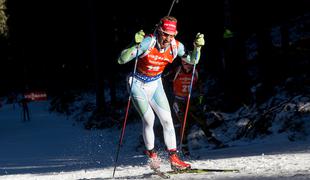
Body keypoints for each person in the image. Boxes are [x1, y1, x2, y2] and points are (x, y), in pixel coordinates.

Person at [117, 16, 205, 171]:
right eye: (165, 34)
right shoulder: (148, 42)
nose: (168, 38)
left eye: (171, 35)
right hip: (137, 83)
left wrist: (197, 47)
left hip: (155, 83)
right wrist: (134, 43)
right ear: (159, 30)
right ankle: (152, 157)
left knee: (167, 120)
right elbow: (122, 60)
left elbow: (192, 60)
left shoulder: (175, 46)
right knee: (149, 119)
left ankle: (174, 158)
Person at [170, 56, 226, 156]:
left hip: (191, 100)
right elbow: (165, 79)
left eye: (189, 64)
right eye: (185, 63)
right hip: (179, 101)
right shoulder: (177, 70)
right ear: (182, 63)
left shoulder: (195, 72)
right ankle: (184, 147)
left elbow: (200, 84)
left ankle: (210, 138)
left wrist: (200, 95)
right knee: (184, 123)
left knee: (201, 119)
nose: (188, 66)